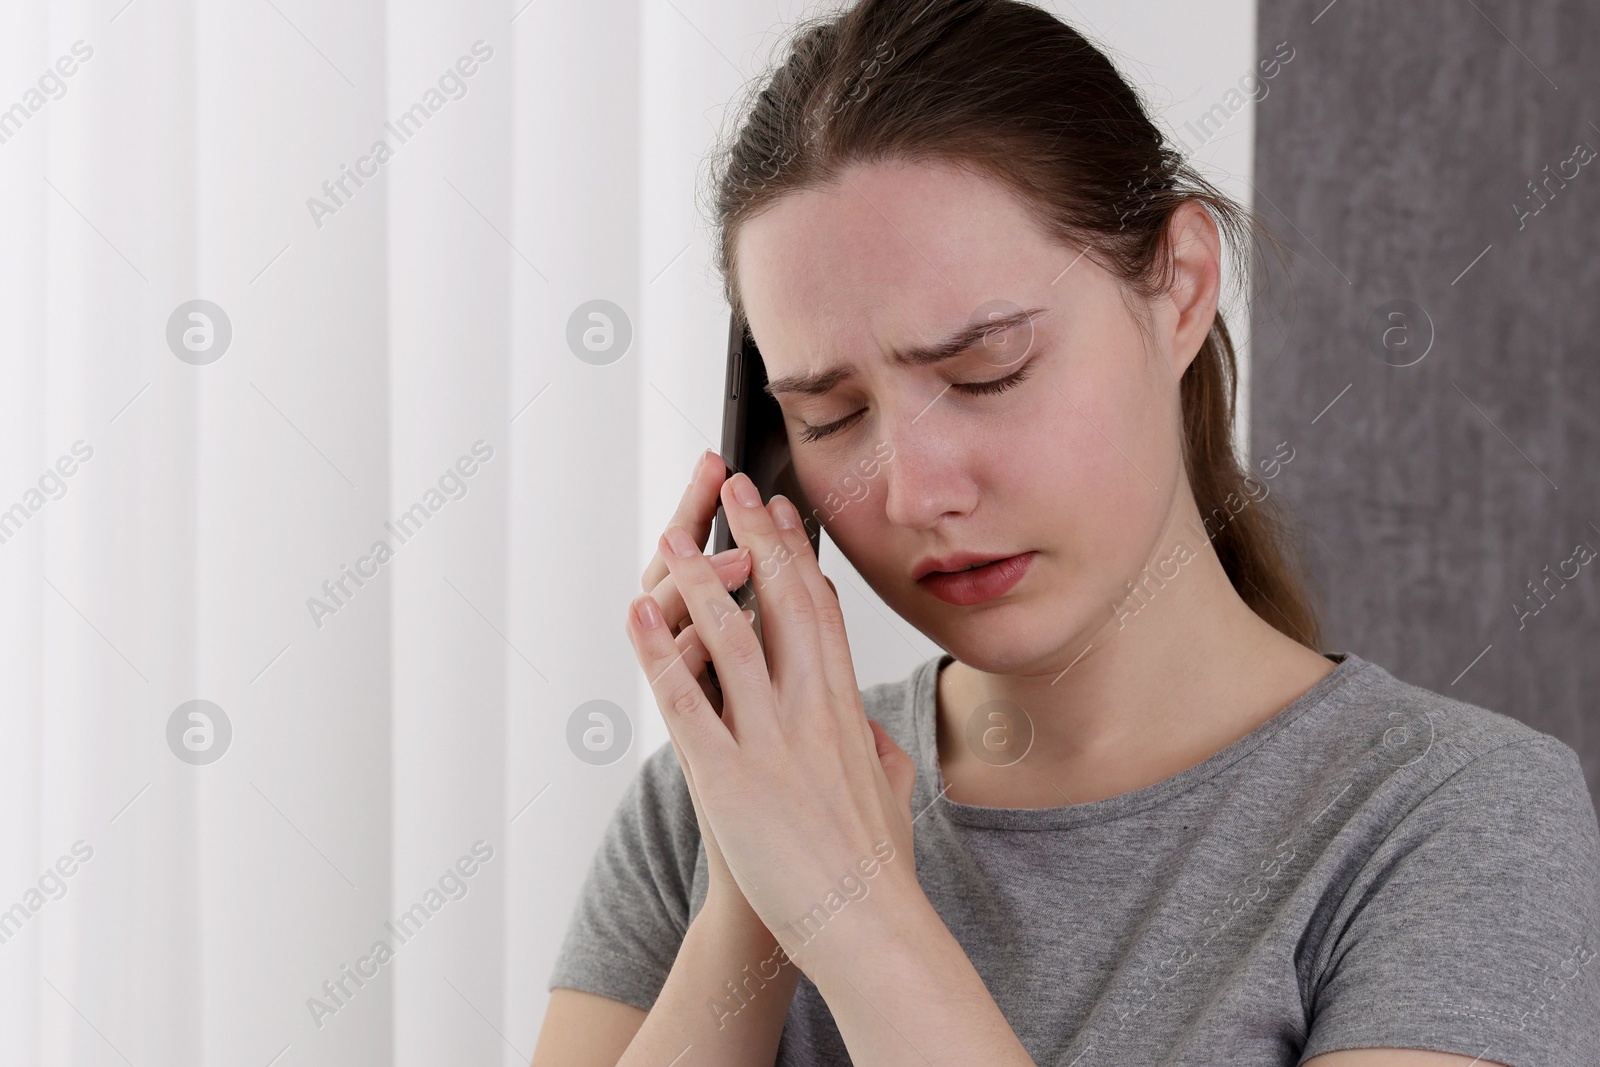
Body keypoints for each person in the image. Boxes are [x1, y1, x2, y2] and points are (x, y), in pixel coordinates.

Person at [531, 1, 1600, 1064]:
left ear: (1178, 287)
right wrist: (749, 908)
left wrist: (847, 909)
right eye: (830, 416)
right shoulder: (706, 812)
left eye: (986, 370)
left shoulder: (1449, 816)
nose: (915, 491)